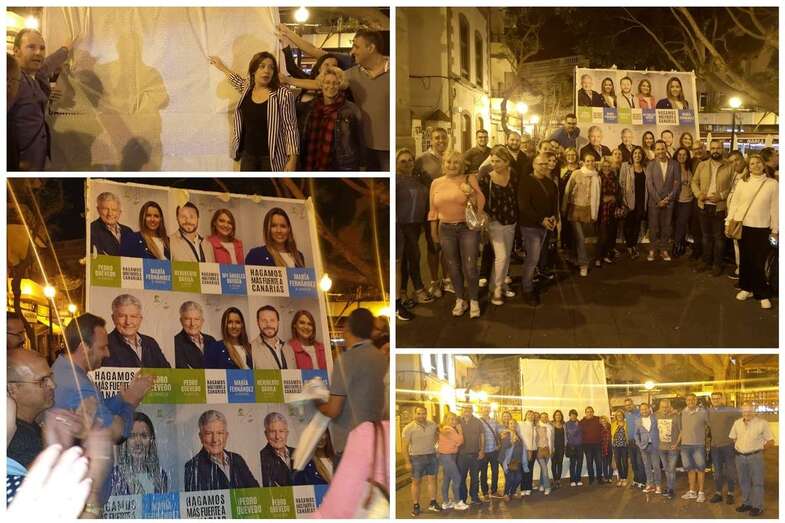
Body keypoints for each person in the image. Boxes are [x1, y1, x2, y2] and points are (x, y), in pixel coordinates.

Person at [54, 313, 154, 503]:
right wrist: (131, 400)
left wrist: (121, 398)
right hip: (82, 496)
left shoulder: (65, 370)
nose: (107, 353)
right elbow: (115, 433)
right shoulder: (77, 384)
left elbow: (97, 411)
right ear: (84, 348)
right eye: (102, 347)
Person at [315, 308, 387, 460]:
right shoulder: (381, 358)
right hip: (376, 443)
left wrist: (316, 405)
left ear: (348, 328)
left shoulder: (346, 360)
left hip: (350, 445)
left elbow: (334, 409)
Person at [208, 52, 298, 171]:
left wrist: (292, 159)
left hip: (272, 157)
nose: (267, 71)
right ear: (254, 70)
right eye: (262, 66)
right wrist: (221, 66)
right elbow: (237, 81)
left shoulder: (283, 94)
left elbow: (290, 127)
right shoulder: (248, 89)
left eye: (271, 67)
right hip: (248, 155)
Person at [428, 151, 485, 318]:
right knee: (452, 267)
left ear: (461, 165)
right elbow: (433, 210)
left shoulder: (469, 179)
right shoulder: (436, 183)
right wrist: (433, 232)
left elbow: (481, 201)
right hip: (445, 229)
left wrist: (471, 193)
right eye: (448, 162)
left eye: (456, 162)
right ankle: (460, 299)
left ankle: (473, 299)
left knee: (470, 267)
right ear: (443, 164)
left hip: (467, 227)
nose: (451, 165)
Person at [8, 29, 75, 170]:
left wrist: (65, 49)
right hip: (19, 167)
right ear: (16, 51)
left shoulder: (36, 76)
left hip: (39, 163)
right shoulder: (12, 79)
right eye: (31, 47)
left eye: (42, 48)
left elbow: (47, 65)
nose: (38, 52)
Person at [725, 154, 778, 309]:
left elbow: (775, 208)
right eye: (752, 163)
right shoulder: (743, 182)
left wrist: (775, 229)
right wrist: (728, 222)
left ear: (763, 165)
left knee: (759, 262)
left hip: (763, 228)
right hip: (744, 227)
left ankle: (762, 293)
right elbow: (734, 204)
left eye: (758, 162)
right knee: (746, 260)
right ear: (748, 167)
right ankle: (746, 288)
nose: (755, 166)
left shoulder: (772, 184)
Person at [299, 66, 365, 171]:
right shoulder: (310, 107)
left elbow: (359, 140)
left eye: (335, 83)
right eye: (327, 82)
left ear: (340, 85)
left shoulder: (351, 110)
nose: (331, 86)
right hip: (311, 163)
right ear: (321, 84)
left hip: (339, 167)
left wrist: (359, 166)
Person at [478, 145, 518, 306]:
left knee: (506, 256)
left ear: (507, 161)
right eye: (493, 161)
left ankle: (497, 284)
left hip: (511, 220)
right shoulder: (486, 179)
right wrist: (484, 214)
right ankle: (497, 289)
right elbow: (480, 200)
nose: (494, 164)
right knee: (501, 256)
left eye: (498, 161)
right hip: (494, 222)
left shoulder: (513, 174)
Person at [184, 410, 259, 491]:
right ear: (201, 437)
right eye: (209, 433)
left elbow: (256, 491)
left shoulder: (237, 459)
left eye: (220, 433)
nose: (215, 439)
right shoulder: (192, 467)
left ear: (226, 436)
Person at [519, 153, 558, 305]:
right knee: (533, 258)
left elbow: (554, 203)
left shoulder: (550, 183)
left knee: (538, 255)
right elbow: (524, 206)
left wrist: (554, 217)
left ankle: (530, 282)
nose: (543, 166)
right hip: (531, 226)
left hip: (546, 225)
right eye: (540, 164)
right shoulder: (526, 182)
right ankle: (527, 289)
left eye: (545, 164)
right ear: (533, 165)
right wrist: (541, 220)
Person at [415, 127, 450, 298]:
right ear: (431, 139)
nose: (441, 140)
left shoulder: (451, 157)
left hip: (450, 211)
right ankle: (434, 282)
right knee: (433, 247)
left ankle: (447, 280)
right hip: (431, 211)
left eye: (443, 137)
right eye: (437, 138)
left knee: (448, 247)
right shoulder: (421, 160)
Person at [7, 350, 56, 469]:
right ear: (12, 389)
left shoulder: (28, 424)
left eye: (50, 377)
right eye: (42, 380)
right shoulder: (19, 441)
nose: (53, 385)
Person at [397, 148, 433, 306]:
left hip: (416, 224)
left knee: (409, 257)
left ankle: (404, 292)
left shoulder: (419, 179)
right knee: (412, 257)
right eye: (403, 161)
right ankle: (416, 290)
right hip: (402, 224)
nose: (407, 164)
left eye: (410, 160)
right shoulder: (396, 180)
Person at [691, 140, 734, 275]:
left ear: (723, 149)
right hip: (703, 206)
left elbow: (733, 187)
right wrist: (698, 194)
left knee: (719, 239)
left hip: (719, 207)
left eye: (718, 148)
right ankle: (706, 261)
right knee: (706, 237)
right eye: (713, 148)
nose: (716, 150)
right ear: (710, 149)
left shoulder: (729, 166)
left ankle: (717, 264)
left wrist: (721, 196)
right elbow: (694, 182)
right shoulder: (702, 165)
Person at [729, 402, 774, 516]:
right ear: (742, 412)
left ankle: (758, 507)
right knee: (744, 481)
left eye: (749, 411)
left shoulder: (762, 423)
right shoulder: (737, 423)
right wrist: (741, 447)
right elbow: (733, 438)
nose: (747, 413)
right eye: (745, 411)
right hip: (740, 457)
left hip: (755, 457)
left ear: (754, 411)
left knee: (757, 483)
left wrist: (759, 449)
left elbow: (770, 441)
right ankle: (747, 503)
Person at [109, 412, 169, 495]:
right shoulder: (113, 476)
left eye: (144, 436)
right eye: (132, 436)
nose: (138, 442)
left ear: (151, 441)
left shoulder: (160, 475)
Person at [106, 294, 171, 368]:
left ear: (140, 319)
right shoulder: (103, 345)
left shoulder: (150, 343)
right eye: (122, 316)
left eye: (133, 316)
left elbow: (168, 372)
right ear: (113, 318)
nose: (128, 322)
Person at [563, 152, 601, 277]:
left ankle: (574, 257)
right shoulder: (576, 173)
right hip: (575, 210)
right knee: (580, 238)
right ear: (583, 162)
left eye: (592, 161)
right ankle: (583, 264)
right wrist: (563, 208)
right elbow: (567, 191)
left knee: (580, 238)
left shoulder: (596, 176)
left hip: (588, 210)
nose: (590, 163)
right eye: (587, 161)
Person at [645, 140, 679, 261]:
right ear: (655, 151)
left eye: (662, 148)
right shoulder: (650, 164)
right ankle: (653, 249)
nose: (660, 151)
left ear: (666, 149)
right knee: (653, 227)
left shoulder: (674, 164)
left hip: (669, 202)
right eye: (658, 149)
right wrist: (658, 200)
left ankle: (664, 250)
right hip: (654, 202)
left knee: (666, 227)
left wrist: (668, 199)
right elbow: (649, 184)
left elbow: (677, 183)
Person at [402, 405, 439, 515]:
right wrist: (407, 462)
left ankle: (433, 503)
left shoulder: (432, 425)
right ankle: (416, 505)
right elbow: (404, 446)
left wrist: (436, 447)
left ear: (426, 414)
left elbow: (437, 436)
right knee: (416, 482)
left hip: (431, 456)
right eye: (418, 413)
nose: (421, 416)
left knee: (433, 480)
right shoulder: (408, 428)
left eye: (423, 413)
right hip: (416, 458)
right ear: (414, 414)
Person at [707, 391, 740, 505]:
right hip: (715, 447)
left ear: (722, 399)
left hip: (728, 445)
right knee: (717, 472)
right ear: (711, 400)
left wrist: (739, 436)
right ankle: (718, 493)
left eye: (717, 398)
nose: (715, 400)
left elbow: (744, 418)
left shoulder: (730, 410)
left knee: (730, 471)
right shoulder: (708, 411)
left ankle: (730, 493)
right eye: (713, 398)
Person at [680, 393, 709, 503]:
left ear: (696, 400)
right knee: (690, 469)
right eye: (688, 400)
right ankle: (692, 491)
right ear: (686, 401)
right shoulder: (683, 412)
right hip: (685, 445)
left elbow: (709, 426)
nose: (691, 401)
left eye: (693, 399)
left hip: (698, 445)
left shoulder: (703, 412)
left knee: (700, 469)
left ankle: (701, 492)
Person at [619, 146, 648, 259]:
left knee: (637, 225)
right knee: (628, 225)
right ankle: (629, 246)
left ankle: (633, 245)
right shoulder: (625, 166)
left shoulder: (645, 168)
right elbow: (621, 184)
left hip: (641, 201)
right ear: (632, 155)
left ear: (642, 156)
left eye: (639, 153)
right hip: (629, 201)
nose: (637, 155)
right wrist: (623, 201)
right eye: (635, 153)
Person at [437, 411, 468, 510]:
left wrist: (456, 442)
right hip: (448, 457)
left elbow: (457, 442)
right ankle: (458, 502)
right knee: (457, 478)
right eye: (451, 419)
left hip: (447, 456)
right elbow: (460, 441)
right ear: (446, 419)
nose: (454, 421)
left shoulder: (445, 428)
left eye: (455, 419)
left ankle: (446, 502)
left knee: (446, 479)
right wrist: (460, 431)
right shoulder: (449, 429)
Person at [174, 301, 216, 369]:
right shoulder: (175, 343)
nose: (192, 324)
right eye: (187, 319)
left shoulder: (211, 340)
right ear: (181, 321)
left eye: (196, 319)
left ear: (202, 321)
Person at [595, 156, 621, 267]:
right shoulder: (597, 177)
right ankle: (598, 257)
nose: (606, 168)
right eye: (604, 166)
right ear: (601, 166)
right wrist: (603, 199)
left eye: (608, 166)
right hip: (602, 210)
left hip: (613, 209)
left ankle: (605, 255)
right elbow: (594, 194)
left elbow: (618, 192)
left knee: (610, 234)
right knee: (603, 235)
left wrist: (614, 198)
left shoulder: (614, 177)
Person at [456, 404, 484, 505]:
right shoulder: (457, 421)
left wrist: (482, 450)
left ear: (472, 410)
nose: (467, 411)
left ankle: (474, 497)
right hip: (461, 455)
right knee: (461, 477)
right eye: (465, 409)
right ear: (462, 410)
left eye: (469, 409)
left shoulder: (478, 422)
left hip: (475, 454)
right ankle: (462, 498)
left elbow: (482, 436)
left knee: (475, 478)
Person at [90, 192, 134, 256]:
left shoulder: (128, 231)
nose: (110, 214)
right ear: (98, 210)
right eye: (105, 209)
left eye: (114, 210)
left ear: (119, 212)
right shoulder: (91, 230)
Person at [250, 305, 294, 370]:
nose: (268, 324)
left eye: (272, 320)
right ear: (257, 323)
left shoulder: (289, 348)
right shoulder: (250, 349)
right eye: (264, 320)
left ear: (278, 323)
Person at [258, 412, 295, 487]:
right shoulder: (261, 457)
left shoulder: (298, 453)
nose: (277, 437)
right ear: (266, 434)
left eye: (281, 431)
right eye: (272, 432)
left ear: (287, 433)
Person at [656, 398, 681, 500]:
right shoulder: (656, 415)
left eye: (666, 407)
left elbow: (681, 431)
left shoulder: (676, 416)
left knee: (671, 469)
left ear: (670, 406)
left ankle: (671, 489)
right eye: (663, 407)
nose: (665, 409)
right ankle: (669, 487)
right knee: (666, 469)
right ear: (660, 407)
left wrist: (676, 444)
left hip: (673, 448)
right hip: (661, 448)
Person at [634, 402, 661, 494]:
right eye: (642, 409)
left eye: (645, 409)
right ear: (640, 411)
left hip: (654, 446)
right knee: (647, 466)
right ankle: (650, 484)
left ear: (649, 409)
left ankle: (658, 485)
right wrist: (639, 444)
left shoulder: (655, 418)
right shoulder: (638, 420)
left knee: (656, 466)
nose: (644, 411)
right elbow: (636, 434)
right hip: (644, 447)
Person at [672, 146, 694, 257]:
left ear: (687, 156)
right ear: (676, 156)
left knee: (682, 223)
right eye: (679, 154)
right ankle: (680, 244)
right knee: (676, 224)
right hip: (675, 200)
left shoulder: (691, 168)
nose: (681, 156)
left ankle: (677, 245)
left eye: (684, 154)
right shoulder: (672, 168)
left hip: (687, 201)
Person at [478, 405, 503, 500]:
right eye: (484, 409)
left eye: (488, 409)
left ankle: (494, 490)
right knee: (483, 472)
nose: (486, 410)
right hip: (483, 451)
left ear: (490, 410)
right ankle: (485, 492)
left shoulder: (494, 421)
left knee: (495, 471)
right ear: (481, 410)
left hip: (493, 450)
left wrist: (500, 442)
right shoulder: (478, 421)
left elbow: (500, 432)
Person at [500, 417, 525, 501]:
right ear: (508, 425)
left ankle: (512, 492)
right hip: (508, 460)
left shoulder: (518, 435)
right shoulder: (505, 434)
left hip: (517, 461)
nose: (513, 425)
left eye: (514, 423)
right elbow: (504, 448)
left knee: (518, 478)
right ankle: (506, 494)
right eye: (511, 423)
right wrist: (512, 442)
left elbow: (522, 447)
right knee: (510, 478)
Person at [623, 398, 646, 489]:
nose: (628, 406)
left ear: (633, 404)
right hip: (630, 442)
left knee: (640, 462)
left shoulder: (640, 413)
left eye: (629, 404)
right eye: (626, 405)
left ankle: (642, 481)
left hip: (639, 441)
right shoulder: (626, 414)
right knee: (633, 462)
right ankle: (636, 480)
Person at [579, 407, 602, 485]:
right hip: (587, 446)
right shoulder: (582, 421)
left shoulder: (598, 419)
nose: (589, 413)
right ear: (585, 413)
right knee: (589, 463)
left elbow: (605, 422)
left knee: (599, 462)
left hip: (597, 445)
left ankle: (599, 478)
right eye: (588, 412)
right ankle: (591, 479)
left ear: (593, 412)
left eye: (591, 411)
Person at [535, 412, 554, 494]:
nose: (544, 418)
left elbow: (552, 439)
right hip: (539, 450)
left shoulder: (550, 427)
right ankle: (547, 487)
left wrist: (552, 449)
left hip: (547, 450)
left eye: (546, 417)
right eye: (542, 417)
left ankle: (541, 484)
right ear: (540, 418)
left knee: (543, 469)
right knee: (545, 469)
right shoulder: (536, 426)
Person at [518, 410, 537, 495]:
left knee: (530, 469)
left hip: (534, 450)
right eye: (529, 414)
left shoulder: (535, 426)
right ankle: (523, 488)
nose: (531, 416)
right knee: (523, 469)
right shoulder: (521, 424)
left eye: (532, 415)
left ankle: (528, 487)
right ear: (525, 416)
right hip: (524, 450)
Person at [610, 410, 629, 487]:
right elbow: (612, 435)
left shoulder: (626, 424)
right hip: (616, 446)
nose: (619, 416)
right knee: (618, 462)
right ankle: (621, 478)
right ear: (616, 417)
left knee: (624, 462)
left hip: (624, 446)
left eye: (620, 415)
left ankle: (625, 478)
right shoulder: (613, 424)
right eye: (617, 415)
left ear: (623, 415)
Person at [565, 409, 583, 486]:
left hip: (580, 446)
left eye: (575, 415)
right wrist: (576, 426)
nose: (573, 416)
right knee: (572, 463)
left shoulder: (580, 422)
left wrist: (577, 425)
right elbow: (571, 433)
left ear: (576, 415)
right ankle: (572, 480)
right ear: (570, 416)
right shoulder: (567, 424)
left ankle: (578, 479)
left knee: (580, 463)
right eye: (572, 415)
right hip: (572, 446)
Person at [551, 410, 566, 488]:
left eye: (559, 415)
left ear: (561, 416)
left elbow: (565, 436)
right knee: (553, 463)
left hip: (561, 447)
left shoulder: (564, 425)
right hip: (553, 447)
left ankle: (558, 480)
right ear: (554, 416)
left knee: (560, 463)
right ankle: (555, 479)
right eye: (556, 415)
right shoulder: (551, 424)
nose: (558, 416)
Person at [598, 415, 612, 483]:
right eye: (602, 421)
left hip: (610, 447)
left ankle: (610, 477)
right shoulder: (599, 428)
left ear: (606, 420)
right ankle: (606, 477)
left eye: (604, 420)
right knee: (604, 464)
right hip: (602, 448)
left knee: (610, 463)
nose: (603, 422)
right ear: (600, 422)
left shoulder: (610, 426)